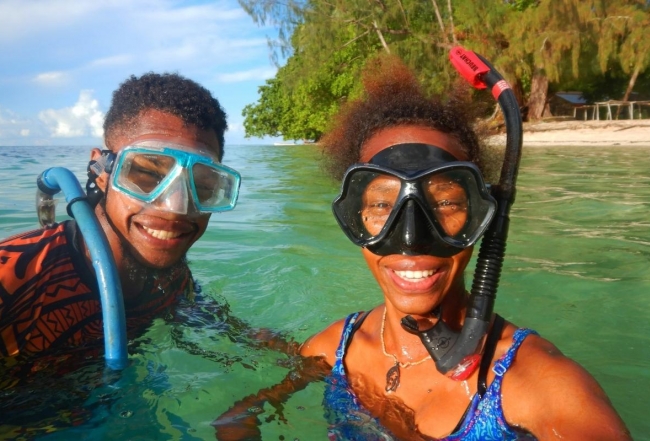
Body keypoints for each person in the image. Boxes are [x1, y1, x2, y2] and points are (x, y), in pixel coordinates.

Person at [214, 55, 631, 440]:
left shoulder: (537, 383)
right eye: (381, 204)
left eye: (446, 202)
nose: (411, 239)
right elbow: (236, 417)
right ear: (354, 217)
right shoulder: (339, 346)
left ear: (481, 215)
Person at [0, 72, 240, 359]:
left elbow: (207, 321)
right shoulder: (12, 279)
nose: (176, 207)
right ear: (101, 170)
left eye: (203, 186)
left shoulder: (172, 274)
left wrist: (298, 356)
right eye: (148, 173)